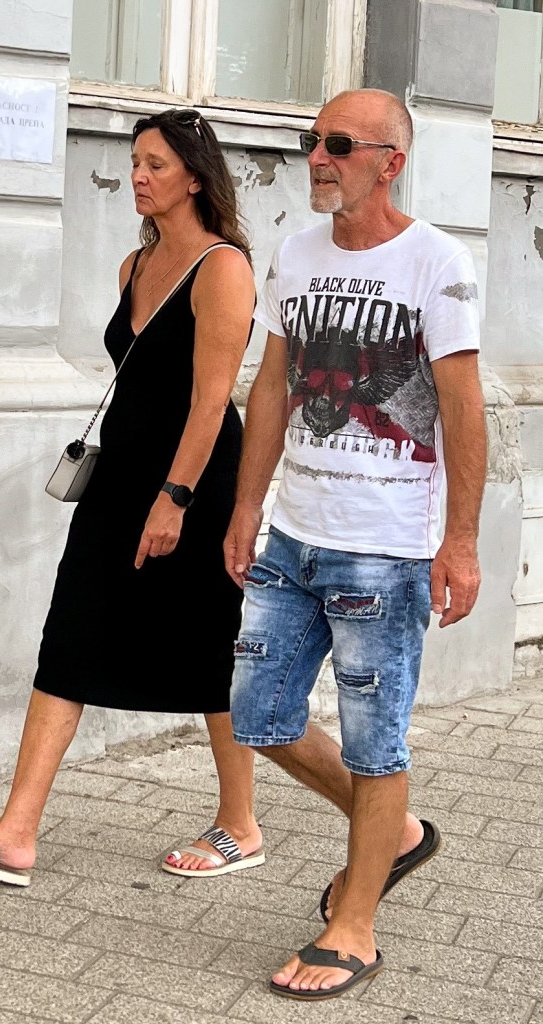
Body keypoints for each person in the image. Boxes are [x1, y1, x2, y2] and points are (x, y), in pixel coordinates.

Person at [0, 107, 262, 885]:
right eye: (135, 162)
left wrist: (175, 497)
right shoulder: (135, 266)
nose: (137, 176)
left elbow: (212, 402)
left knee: (209, 647)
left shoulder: (223, 268)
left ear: (194, 178)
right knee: (69, 637)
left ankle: (241, 822)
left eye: (154, 164)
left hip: (193, 483)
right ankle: (14, 835)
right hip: (119, 480)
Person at [223, 87, 487, 1000]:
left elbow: (461, 409)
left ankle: (355, 928)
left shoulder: (436, 260)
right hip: (293, 532)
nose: (318, 157)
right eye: (313, 140)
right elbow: (271, 387)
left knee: (377, 743)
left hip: (386, 545)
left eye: (339, 144)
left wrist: (460, 543)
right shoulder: (296, 254)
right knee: (259, 714)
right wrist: (245, 505)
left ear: (390, 162)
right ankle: (397, 834)